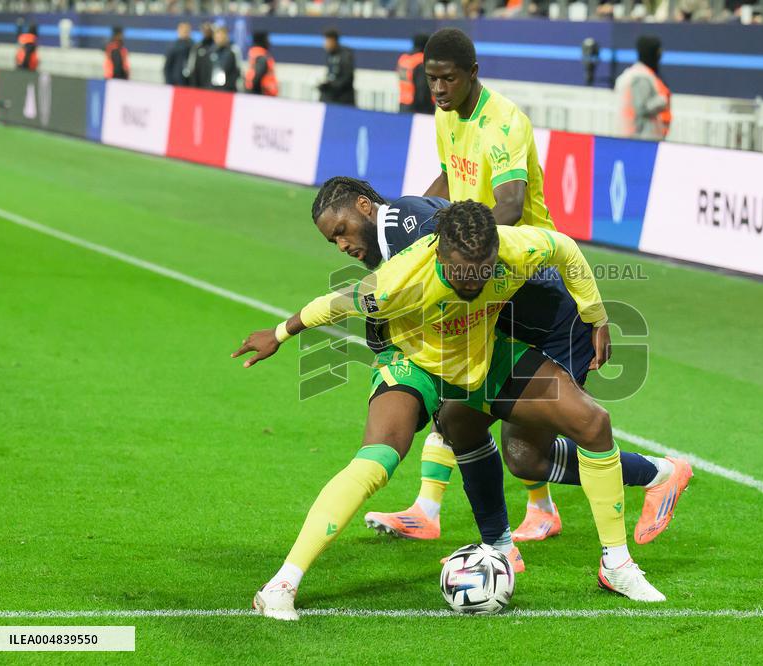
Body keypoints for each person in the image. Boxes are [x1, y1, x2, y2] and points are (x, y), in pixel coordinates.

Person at [236, 200, 666, 621]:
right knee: (380, 458)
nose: (472, 280)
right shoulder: (396, 283)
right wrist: (279, 332)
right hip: (414, 361)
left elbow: (566, 248)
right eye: (460, 271)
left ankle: (616, 566)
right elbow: (335, 303)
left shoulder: (516, 247)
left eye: (483, 269)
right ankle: (282, 584)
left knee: (593, 423)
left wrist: (597, 316)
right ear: (438, 250)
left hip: (482, 356)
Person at [313, 177, 691, 548]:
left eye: (342, 232)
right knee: (457, 420)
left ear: (365, 206)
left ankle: (658, 476)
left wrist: (597, 317)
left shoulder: (415, 231)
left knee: (526, 456)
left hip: (556, 329)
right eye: (333, 240)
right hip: (507, 329)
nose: (342, 244)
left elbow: (548, 239)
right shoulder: (397, 231)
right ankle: (492, 540)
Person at [372, 26, 565, 542]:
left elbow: (510, 206)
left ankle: (445, 510)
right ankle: (442, 508)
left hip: (516, 269)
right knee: (459, 385)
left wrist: (451, 253)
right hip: (476, 263)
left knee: (464, 387)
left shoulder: (503, 124)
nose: (437, 88)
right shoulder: (445, 113)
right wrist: (406, 223)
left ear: (472, 74)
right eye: (431, 78)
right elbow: (448, 184)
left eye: (447, 79)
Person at [614, 36, 671, 141]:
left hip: (633, 137)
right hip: (640, 138)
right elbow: (641, 108)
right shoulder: (641, 77)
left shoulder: (635, 73)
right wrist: (663, 100)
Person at [397, 34, 433, 114]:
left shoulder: (404, 59)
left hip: (403, 104)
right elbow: (422, 91)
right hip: (417, 109)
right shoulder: (421, 62)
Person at [319, 28, 355, 106]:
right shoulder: (330, 55)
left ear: (333, 41)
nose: (325, 44)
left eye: (327, 41)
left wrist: (331, 86)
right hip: (331, 98)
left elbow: (346, 78)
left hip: (343, 101)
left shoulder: (345, 55)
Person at [209, 25, 241, 93]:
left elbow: (237, 70)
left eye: (222, 37)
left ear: (226, 37)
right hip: (212, 88)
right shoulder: (210, 52)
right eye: (217, 37)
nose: (220, 39)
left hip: (227, 90)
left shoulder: (233, 51)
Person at [245, 31, 278, 96]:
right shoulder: (261, 57)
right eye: (267, 40)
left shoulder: (254, 54)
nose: (269, 43)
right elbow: (257, 77)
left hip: (256, 91)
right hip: (264, 93)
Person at [163, 21, 194, 86]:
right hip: (176, 82)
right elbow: (167, 67)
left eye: (187, 30)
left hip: (190, 83)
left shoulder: (194, 46)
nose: (185, 32)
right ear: (179, 30)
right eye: (183, 30)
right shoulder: (173, 47)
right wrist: (169, 82)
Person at [189, 23, 215, 89]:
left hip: (214, 87)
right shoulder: (197, 47)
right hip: (199, 85)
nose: (206, 32)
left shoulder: (217, 47)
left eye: (208, 30)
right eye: (204, 30)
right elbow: (192, 66)